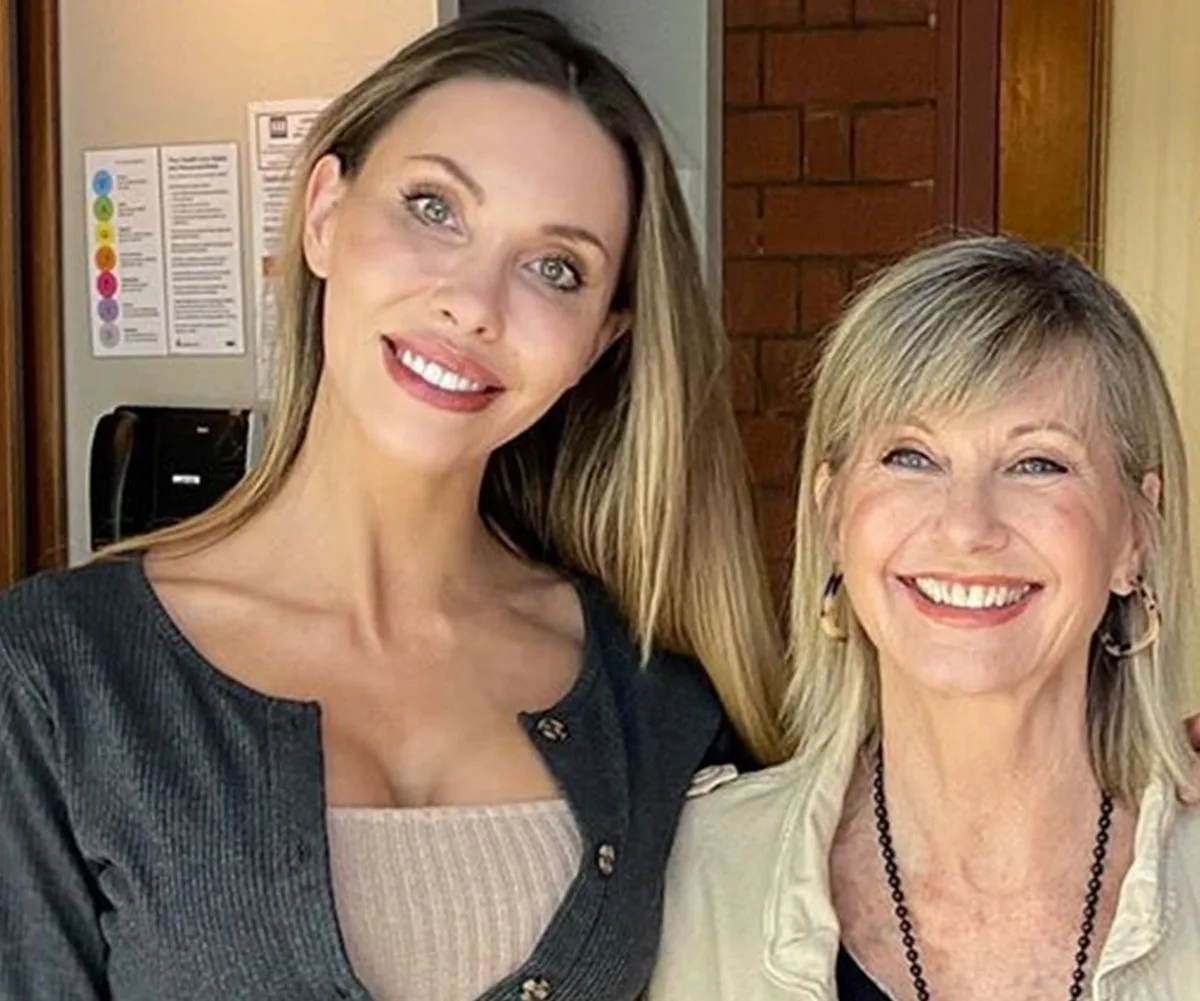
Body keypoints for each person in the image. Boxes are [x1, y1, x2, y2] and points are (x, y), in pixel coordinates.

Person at [0, 10, 787, 1000]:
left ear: (601, 340)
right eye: (433, 207)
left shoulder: (657, 695)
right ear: (325, 213)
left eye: (557, 268)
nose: (474, 303)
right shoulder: (55, 679)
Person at [648, 237, 1200, 1000]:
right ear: (832, 513)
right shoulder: (689, 880)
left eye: (1038, 462)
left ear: (1136, 532)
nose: (967, 526)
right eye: (911, 456)